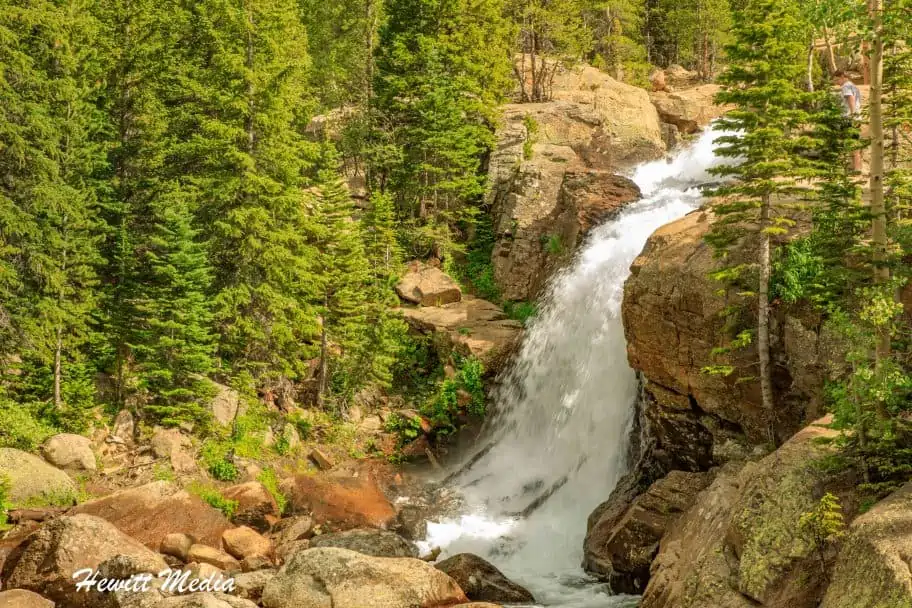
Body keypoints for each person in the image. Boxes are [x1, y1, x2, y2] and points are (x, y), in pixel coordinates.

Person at [833, 70, 863, 172]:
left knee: (848, 142)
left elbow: (850, 98)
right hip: (856, 117)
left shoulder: (846, 86)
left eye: (837, 79)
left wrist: (852, 114)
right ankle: (857, 167)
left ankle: (852, 168)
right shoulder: (854, 86)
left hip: (848, 118)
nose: (836, 82)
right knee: (854, 142)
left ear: (842, 76)